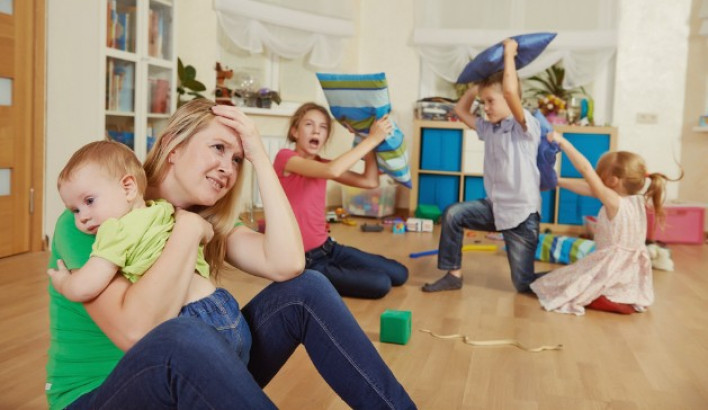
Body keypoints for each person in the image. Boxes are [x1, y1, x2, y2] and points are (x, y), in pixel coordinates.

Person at [45, 99, 416, 409]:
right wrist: (187, 232)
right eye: (218, 148)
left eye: (238, 159)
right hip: (101, 396)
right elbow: (137, 331)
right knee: (184, 336)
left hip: (183, 380)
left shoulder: (206, 220)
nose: (227, 167)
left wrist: (261, 157)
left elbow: (288, 264)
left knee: (307, 288)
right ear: (174, 146)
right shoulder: (92, 218)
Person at [47, 140, 253, 362]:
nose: (83, 217)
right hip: (225, 308)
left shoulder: (114, 230)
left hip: (191, 320)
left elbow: (87, 285)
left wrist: (64, 283)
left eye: (89, 201)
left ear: (128, 187)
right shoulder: (163, 209)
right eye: (75, 210)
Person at [422, 38, 542, 293]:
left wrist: (509, 54)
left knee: (523, 284)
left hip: (521, 216)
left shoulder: (525, 127)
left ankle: (575, 280)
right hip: (494, 208)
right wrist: (476, 86)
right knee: (453, 214)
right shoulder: (489, 129)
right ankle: (453, 275)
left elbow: (510, 92)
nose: (485, 108)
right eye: (483, 102)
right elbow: (460, 110)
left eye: (490, 101)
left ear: (509, 101)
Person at [531, 132, 679, 315]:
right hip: (629, 269)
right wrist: (557, 181)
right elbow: (589, 188)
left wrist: (564, 143)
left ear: (612, 181)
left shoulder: (614, 200)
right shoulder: (636, 200)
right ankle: (621, 298)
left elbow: (585, 170)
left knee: (564, 284)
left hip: (612, 264)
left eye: (599, 175)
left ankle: (604, 299)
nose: (596, 178)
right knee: (569, 279)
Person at [273, 102, 409, 299]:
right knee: (381, 283)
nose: (316, 131)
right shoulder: (285, 158)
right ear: (295, 132)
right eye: (309, 124)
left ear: (326, 136)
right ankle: (308, 280)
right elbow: (332, 171)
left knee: (400, 273)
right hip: (306, 261)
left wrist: (366, 139)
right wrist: (373, 139)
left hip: (328, 248)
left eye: (323, 127)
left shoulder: (323, 164)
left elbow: (370, 181)